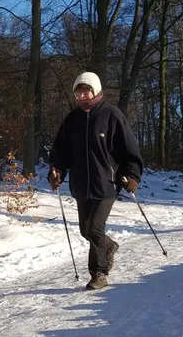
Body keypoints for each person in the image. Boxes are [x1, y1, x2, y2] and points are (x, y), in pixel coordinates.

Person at [48, 71, 143, 290]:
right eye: (78, 92)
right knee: (85, 230)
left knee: (94, 228)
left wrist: (133, 176)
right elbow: (60, 152)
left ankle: (99, 273)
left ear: (97, 90)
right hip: (81, 183)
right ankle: (109, 246)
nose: (82, 95)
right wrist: (57, 171)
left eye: (86, 90)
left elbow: (129, 150)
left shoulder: (112, 115)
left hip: (107, 182)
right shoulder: (72, 120)